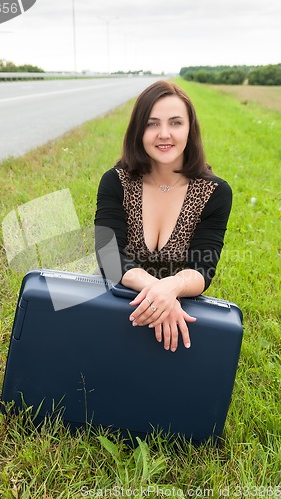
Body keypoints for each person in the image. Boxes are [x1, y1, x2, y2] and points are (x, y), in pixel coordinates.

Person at [94, 80, 232, 352]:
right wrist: (160, 292)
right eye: (152, 123)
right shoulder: (115, 182)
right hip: (118, 303)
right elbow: (109, 256)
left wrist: (172, 288)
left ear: (190, 129)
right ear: (138, 130)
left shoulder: (215, 192)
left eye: (176, 123)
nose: (164, 134)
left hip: (181, 312)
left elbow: (203, 268)